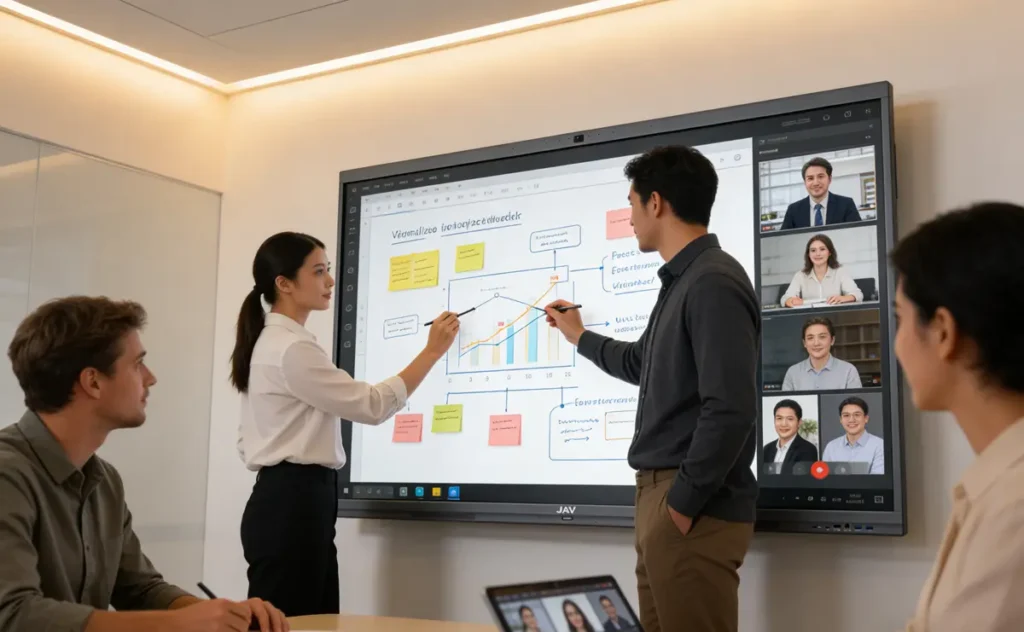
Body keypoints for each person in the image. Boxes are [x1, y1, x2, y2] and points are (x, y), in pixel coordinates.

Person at [545, 145, 759, 632]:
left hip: (690, 509)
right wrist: (578, 335)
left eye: (631, 204)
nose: (630, 217)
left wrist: (681, 506)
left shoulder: (712, 282)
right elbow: (644, 362)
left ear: (656, 202)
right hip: (666, 506)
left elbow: (730, 408)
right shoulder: (684, 281)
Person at [0, 296, 287, 632]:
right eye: (137, 364)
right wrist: (181, 623)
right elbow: (14, 615)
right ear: (92, 381)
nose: (150, 378)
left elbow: (141, 589)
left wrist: (226, 616)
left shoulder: (104, 480)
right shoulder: (8, 475)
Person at [232, 232, 460, 617]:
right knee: (294, 624)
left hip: (293, 500)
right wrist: (432, 351)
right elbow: (370, 405)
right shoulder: (290, 348)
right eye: (319, 272)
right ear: (284, 284)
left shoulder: (273, 342)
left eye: (329, 270)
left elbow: (246, 440)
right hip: (293, 504)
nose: (331, 281)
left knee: (313, 621)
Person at [891, 202, 1024, 631]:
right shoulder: (995, 485)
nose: (897, 345)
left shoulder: (1014, 511)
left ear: (944, 332)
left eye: (900, 319)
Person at [780, 233, 863, 307]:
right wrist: (790, 301)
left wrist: (843, 298)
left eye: (822, 249)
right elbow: (785, 298)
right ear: (808, 254)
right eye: (813, 250)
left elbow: (858, 294)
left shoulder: (840, 272)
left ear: (829, 252)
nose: (817, 254)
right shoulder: (800, 275)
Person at [779, 157, 862, 229]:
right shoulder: (793, 210)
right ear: (805, 182)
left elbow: (858, 234)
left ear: (829, 179)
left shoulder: (846, 205)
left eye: (820, 177)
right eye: (810, 178)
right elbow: (783, 241)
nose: (816, 183)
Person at [782, 317, 862, 390]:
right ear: (804, 343)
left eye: (822, 337)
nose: (816, 343)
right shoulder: (793, 372)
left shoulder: (849, 371)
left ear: (832, 340)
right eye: (810, 338)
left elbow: (855, 404)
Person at [820, 397, 884, 474]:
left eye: (857, 415)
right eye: (846, 415)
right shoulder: (831, 447)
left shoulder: (880, 446)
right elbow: (826, 481)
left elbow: (878, 482)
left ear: (866, 418)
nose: (851, 420)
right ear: (841, 419)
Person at [762, 399, 818, 474]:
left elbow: (802, 482)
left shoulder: (808, 449)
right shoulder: (767, 449)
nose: (784, 424)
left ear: (799, 422)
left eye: (790, 419)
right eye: (779, 418)